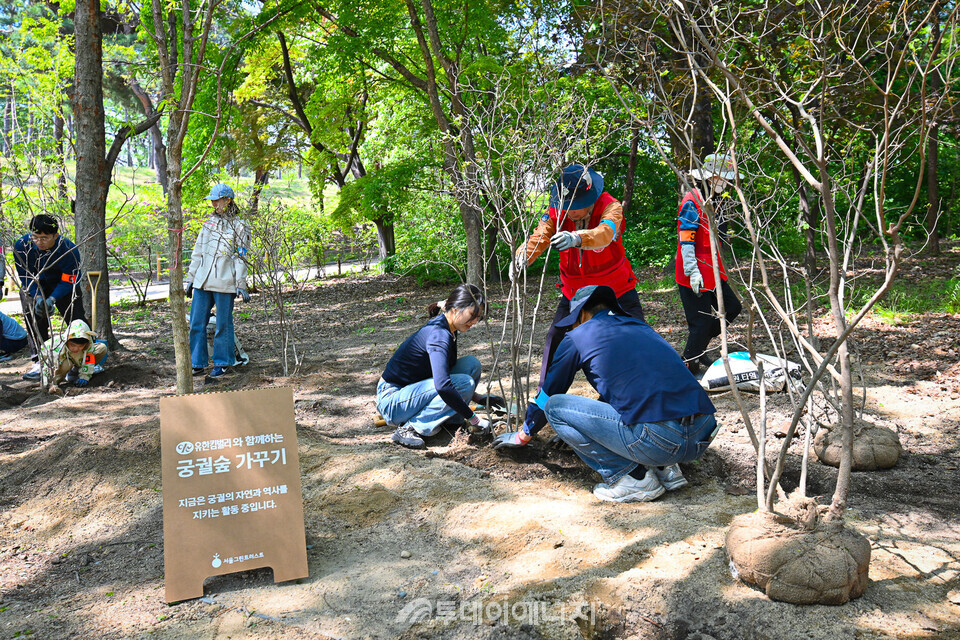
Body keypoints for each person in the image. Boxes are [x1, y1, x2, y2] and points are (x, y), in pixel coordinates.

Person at [492, 285, 719, 503]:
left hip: (659, 442)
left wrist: (525, 433)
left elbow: (549, 393)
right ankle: (667, 470)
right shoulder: (640, 328)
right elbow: (630, 391)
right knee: (641, 399)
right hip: (701, 435)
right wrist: (587, 426)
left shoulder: (578, 337)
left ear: (581, 314)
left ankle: (633, 478)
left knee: (556, 407)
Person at [513, 163, 645, 389]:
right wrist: (523, 255)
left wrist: (578, 238)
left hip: (616, 287)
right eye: (567, 206)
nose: (571, 211)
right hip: (574, 291)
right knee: (555, 339)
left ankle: (642, 387)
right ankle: (546, 396)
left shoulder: (610, 206)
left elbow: (605, 233)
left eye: (577, 205)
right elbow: (541, 235)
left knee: (639, 337)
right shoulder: (557, 209)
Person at [377, 283, 505, 449]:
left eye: (478, 317)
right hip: (393, 400)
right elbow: (443, 385)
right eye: (472, 315)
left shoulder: (450, 325)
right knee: (464, 383)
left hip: (413, 392)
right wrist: (475, 419)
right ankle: (411, 428)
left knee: (471, 365)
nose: (474, 321)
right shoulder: (439, 334)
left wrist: (478, 398)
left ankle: (451, 422)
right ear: (454, 310)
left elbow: (444, 373)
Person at [676, 153, 744, 374]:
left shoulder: (717, 201)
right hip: (693, 272)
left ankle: (699, 346)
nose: (724, 183)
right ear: (708, 177)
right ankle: (688, 363)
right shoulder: (691, 201)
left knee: (733, 308)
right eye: (719, 178)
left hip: (714, 271)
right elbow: (686, 240)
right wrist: (692, 271)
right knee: (701, 322)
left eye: (725, 178)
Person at [185, 184, 250, 380]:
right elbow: (197, 253)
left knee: (223, 324)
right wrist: (190, 279)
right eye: (212, 200)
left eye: (217, 200)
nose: (213, 203)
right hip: (203, 282)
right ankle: (196, 363)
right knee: (197, 322)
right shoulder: (208, 224)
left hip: (225, 282)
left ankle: (222, 363)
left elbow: (241, 257)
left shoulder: (240, 226)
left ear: (228, 200)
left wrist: (241, 283)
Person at [13, 214, 87, 381]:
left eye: (45, 238)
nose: (39, 242)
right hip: (34, 287)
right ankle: (40, 361)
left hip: (64, 287)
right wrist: (38, 297)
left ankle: (82, 360)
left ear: (55, 235)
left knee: (76, 320)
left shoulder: (68, 249)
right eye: (35, 237)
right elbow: (25, 276)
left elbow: (69, 279)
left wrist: (52, 299)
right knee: (34, 318)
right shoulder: (22, 246)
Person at [38, 318, 108, 392]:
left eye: (80, 346)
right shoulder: (58, 346)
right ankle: (54, 382)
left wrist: (85, 376)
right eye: (72, 345)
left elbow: (89, 360)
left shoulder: (88, 345)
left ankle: (75, 373)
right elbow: (50, 366)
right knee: (67, 364)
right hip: (60, 361)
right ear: (67, 341)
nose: (76, 349)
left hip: (77, 358)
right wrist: (46, 383)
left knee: (101, 348)